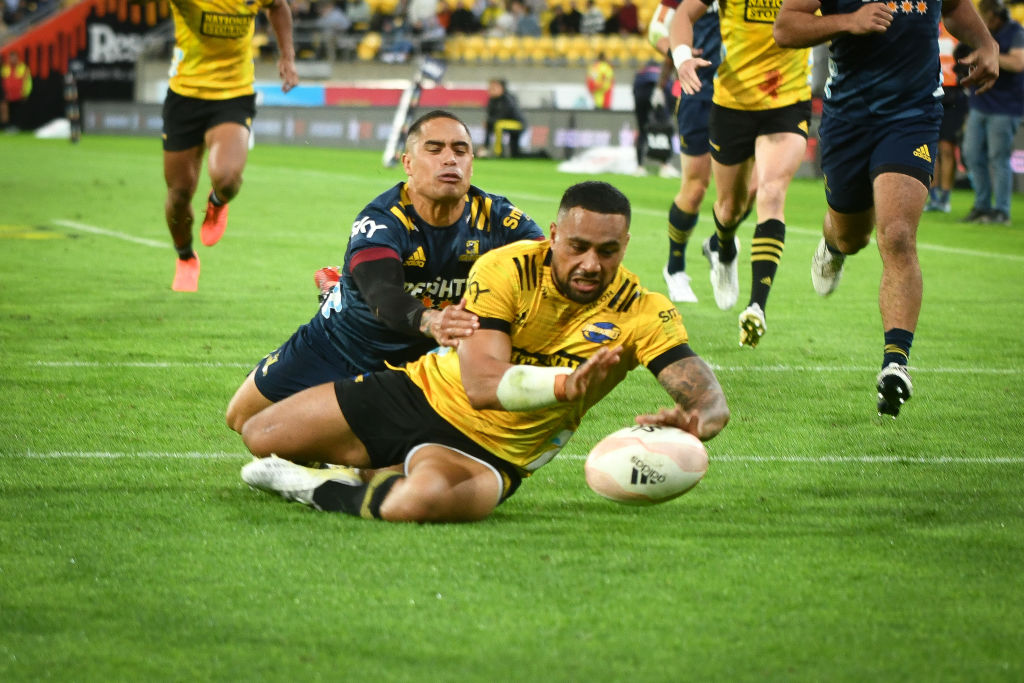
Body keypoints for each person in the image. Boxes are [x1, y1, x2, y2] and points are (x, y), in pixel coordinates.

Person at [238, 181, 730, 523]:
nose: (590, 264)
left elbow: (703, 394)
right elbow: (481, 384)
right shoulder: (506, 268)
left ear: (625, 244)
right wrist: (566, 386)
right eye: (577, 246)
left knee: (419, 502)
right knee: (262, 434)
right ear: (553, 235)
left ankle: (320, 487)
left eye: (607, 251)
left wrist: (699, 420)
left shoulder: (643, 311)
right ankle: (370, 470)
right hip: (421, 393)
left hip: (494, 453)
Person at [225, 110, 545, 434]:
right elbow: (383, 295)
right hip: (343, 344)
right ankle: (336, 294)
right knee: (243, 419)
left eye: (460, 150)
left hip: (424, 363)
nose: (450, 159)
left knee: (390, 455)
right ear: (408, 163)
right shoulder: (381, 220)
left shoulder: (501, 221)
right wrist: (431, 321)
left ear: (471, 163)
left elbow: (551, 270)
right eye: (435, 149)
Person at [774, 0, 998, 417]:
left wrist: (987, 44)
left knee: (896, 235)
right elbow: (785, 28)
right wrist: (849, 21)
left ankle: (895, 363)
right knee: (852, 236)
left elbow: (955, 8)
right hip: (849, 116)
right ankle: (833, 245)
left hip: (913, 115)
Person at [670, 0, 810, 348]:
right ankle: (722, 248)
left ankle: (756, 307)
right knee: (730, 208)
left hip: (787, 101)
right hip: (733, 103)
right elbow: (683, 14)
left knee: (771, 192)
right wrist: (681, 57)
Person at [160, 0, 298, 293]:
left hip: (233, 95)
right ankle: (185, 256)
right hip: (185, 95)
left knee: (227, 179)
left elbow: (278, 7)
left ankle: (217, 202)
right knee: (179, 192)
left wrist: (287, 56)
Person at [647, 0, 726, 304]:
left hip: (748, 94)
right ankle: (675, 267)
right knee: (695, 188)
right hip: (700, 92)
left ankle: (718, 243)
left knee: (755, 187)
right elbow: (656, 28)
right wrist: (679, 54)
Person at [960, 0, 1024, 226]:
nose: (985, 22)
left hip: (1006, 107)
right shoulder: (980, 32)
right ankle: (982, 205)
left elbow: (1018, 62)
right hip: (980, 102)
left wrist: (989, 54)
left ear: (997, 16)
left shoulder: (1015, 32)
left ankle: (1002, 211)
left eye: (987, 17)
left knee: (998, 157)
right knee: (971, 154)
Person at [925, 24, 971, 214]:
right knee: (932, 149)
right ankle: (933, 195)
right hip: (931, 92)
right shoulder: (928, 26)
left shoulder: (957, 29)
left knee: (946, 147)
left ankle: (945, 196)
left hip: (953, 95)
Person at [483, 78, 527, 158]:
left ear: (501, 88)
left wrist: (490, 121)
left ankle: (498, 153)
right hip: (504, 123)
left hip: (518, 124)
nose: (490, 90)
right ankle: (485, 149)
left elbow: (502, 116)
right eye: (490, 88)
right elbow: (491, 117)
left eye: (494, 88)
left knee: (499, 125)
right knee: (491, 124)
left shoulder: (508, 99)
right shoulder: (492, 100)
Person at [1, 50, 31, 130]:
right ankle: (7, 127)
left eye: (14, 57)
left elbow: (28, 82)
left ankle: (17, 127)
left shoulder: (23, 67)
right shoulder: (5, 67)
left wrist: (25, 93)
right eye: (11, 57)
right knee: (7, 112)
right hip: (7, 95)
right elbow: (3, 81)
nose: (13, 59)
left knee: (18, 112)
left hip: (19, 95)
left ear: (18, 58)